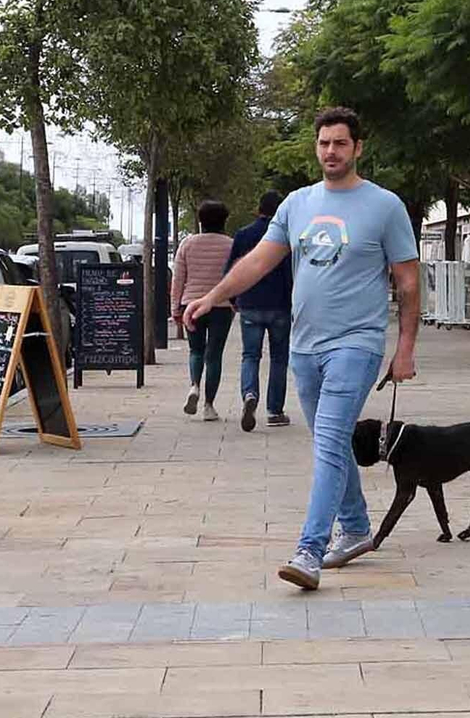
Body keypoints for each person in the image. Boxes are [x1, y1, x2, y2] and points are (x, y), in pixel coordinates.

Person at [183, 107, 420, 591]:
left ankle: (309, 551)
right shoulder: (297, 204)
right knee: (329, 443)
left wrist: (405, 348)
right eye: (324, 143)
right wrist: (214, 296)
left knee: (330, 441)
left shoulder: (385, 206)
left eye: (340, 143)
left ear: (358, 148)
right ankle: (355, 529)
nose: (330, 151)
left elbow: (409, 282)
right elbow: (259, 262)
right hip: (304, 346)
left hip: (357, 342)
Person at [226, 190, 293, 432]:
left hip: (250, 303)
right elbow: (291, 273)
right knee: (279, 359)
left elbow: (232, 268)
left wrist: (233, 297)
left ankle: (249, 393)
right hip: (279, 305)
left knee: (250, 355)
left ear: (259, 209)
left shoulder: (244, 234)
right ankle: (275, 411)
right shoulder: (286, 236)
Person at [172, 199, 234, 422]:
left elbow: (178, 279)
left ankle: (194, 386)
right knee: (214, 355)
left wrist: (176, 308)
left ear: (200, 220)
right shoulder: (230, 245)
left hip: (191, 304)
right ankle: (209, 406)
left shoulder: (187, 244)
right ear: (224, 220)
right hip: (222, 305)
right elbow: (236, 276)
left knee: (195, 351)